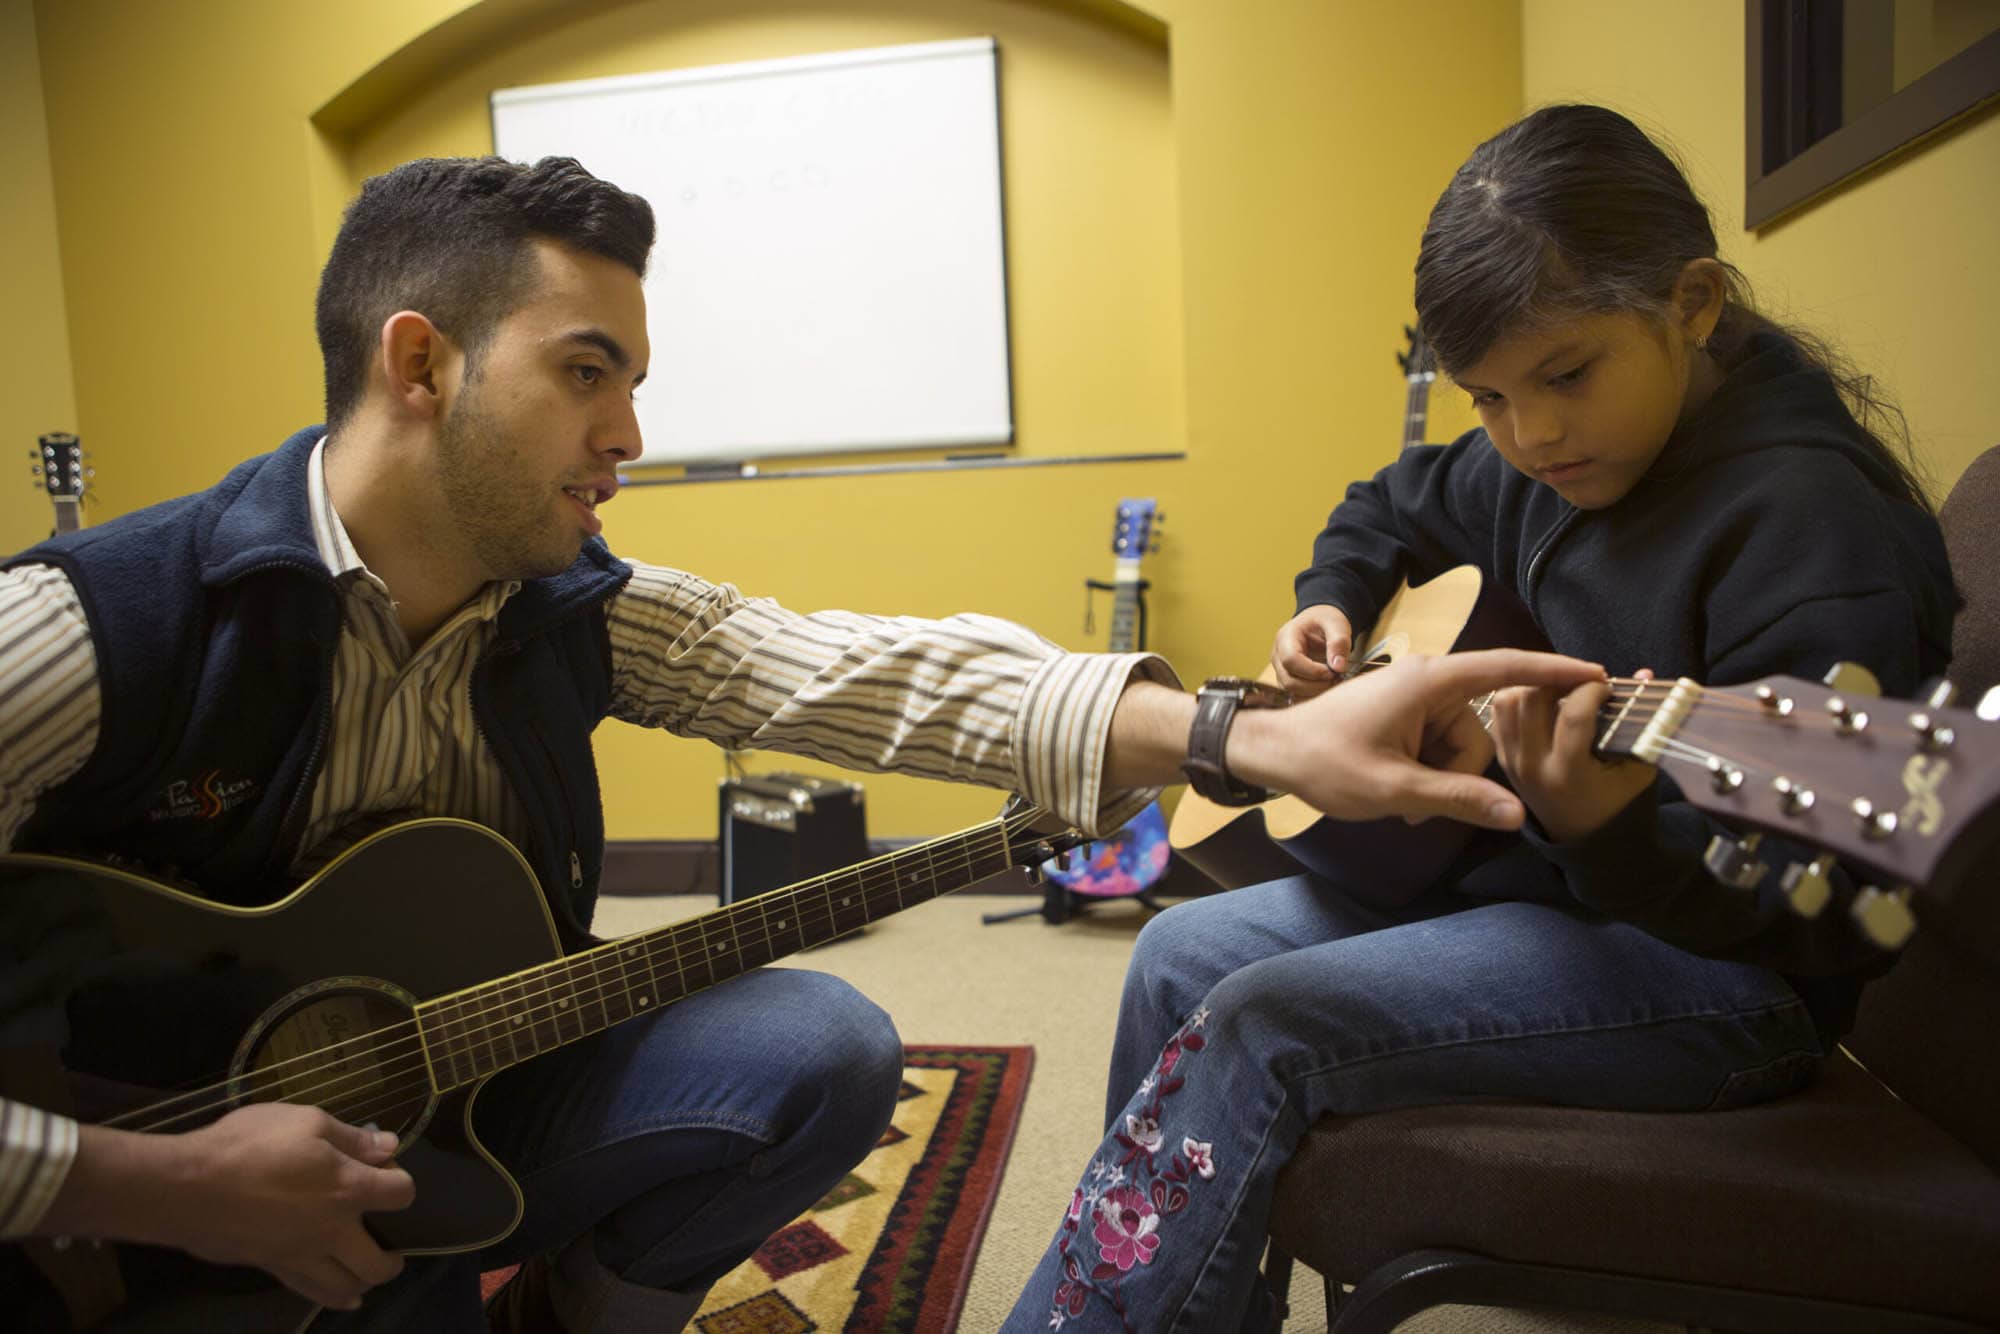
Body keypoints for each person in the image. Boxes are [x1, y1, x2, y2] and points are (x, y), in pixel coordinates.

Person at [0, 154, 1601, 1332]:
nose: (629, 435)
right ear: (420, 363)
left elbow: (850, 671)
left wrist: (1245, 739)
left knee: (819, 1046)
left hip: (437, 1128)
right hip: (106, 1217)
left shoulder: (564, 604)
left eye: (632, 379)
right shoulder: (90, 632)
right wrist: (153, 1182)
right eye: (586, 374)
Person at [1002, 103, 1957, 1333]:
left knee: (1260, 1020)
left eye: (1563, 376)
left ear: (1697, 302)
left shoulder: (1816, 534)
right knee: (1172, 954)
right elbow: (1385, 500)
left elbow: (1834, 906)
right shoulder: (1552, 453)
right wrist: (1329, 608)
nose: (1527, 434)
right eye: (1487, 396)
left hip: (1727, 979)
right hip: (1541, 890)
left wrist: (1606, 831)